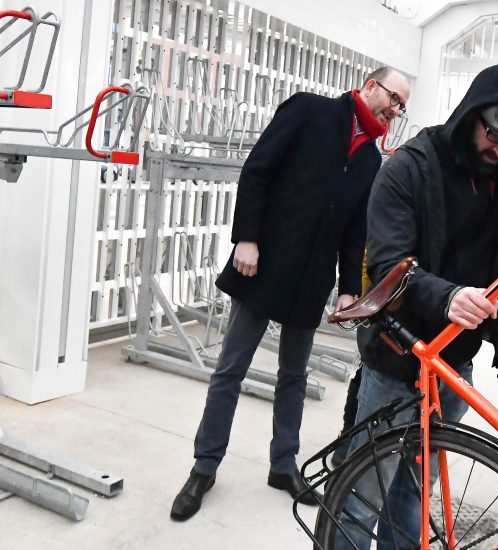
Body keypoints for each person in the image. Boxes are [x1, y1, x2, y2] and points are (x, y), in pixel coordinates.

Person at [169, 67, 411, 522]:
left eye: (402, 107)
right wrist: (247, 238)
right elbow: (258, 171)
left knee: (294, 377)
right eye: (393, 99)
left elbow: (355, 231)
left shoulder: (369, 160)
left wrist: (348, 290)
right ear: (370, 85)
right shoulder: (308, 111)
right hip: (263, 263)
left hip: (311, 279)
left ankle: (283, 466)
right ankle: (205, 467)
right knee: (231, 370)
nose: (395, 111)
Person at [334, 63, 498, 550]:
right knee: (362, 493)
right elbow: (390, 264)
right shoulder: (408, 168)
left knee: (415, 492)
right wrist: (450, 296)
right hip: (398, 355)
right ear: (470, 115)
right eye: (495, 136)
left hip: (456, 359)